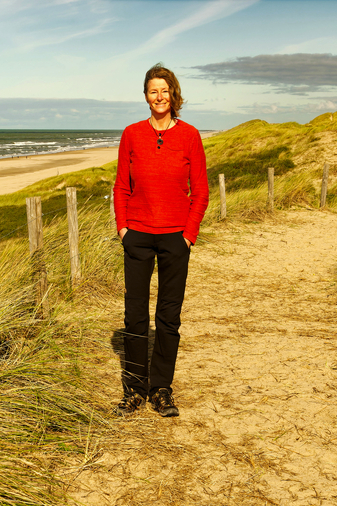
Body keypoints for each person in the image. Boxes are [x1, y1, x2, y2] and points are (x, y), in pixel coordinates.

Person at [113, 63, 209, 418]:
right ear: (145, 96)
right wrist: (123, 228)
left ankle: (162, 389)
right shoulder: (132, 134)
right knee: (135, 316)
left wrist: (188, 236)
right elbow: (122, 186)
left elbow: (200, 192)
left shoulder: (190, 136)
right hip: (137, 235)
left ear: (174, 95)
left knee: (168, 316)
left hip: (174, 238)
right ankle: (135, 389)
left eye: (164, 91)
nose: (159, 97)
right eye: (153, 91)